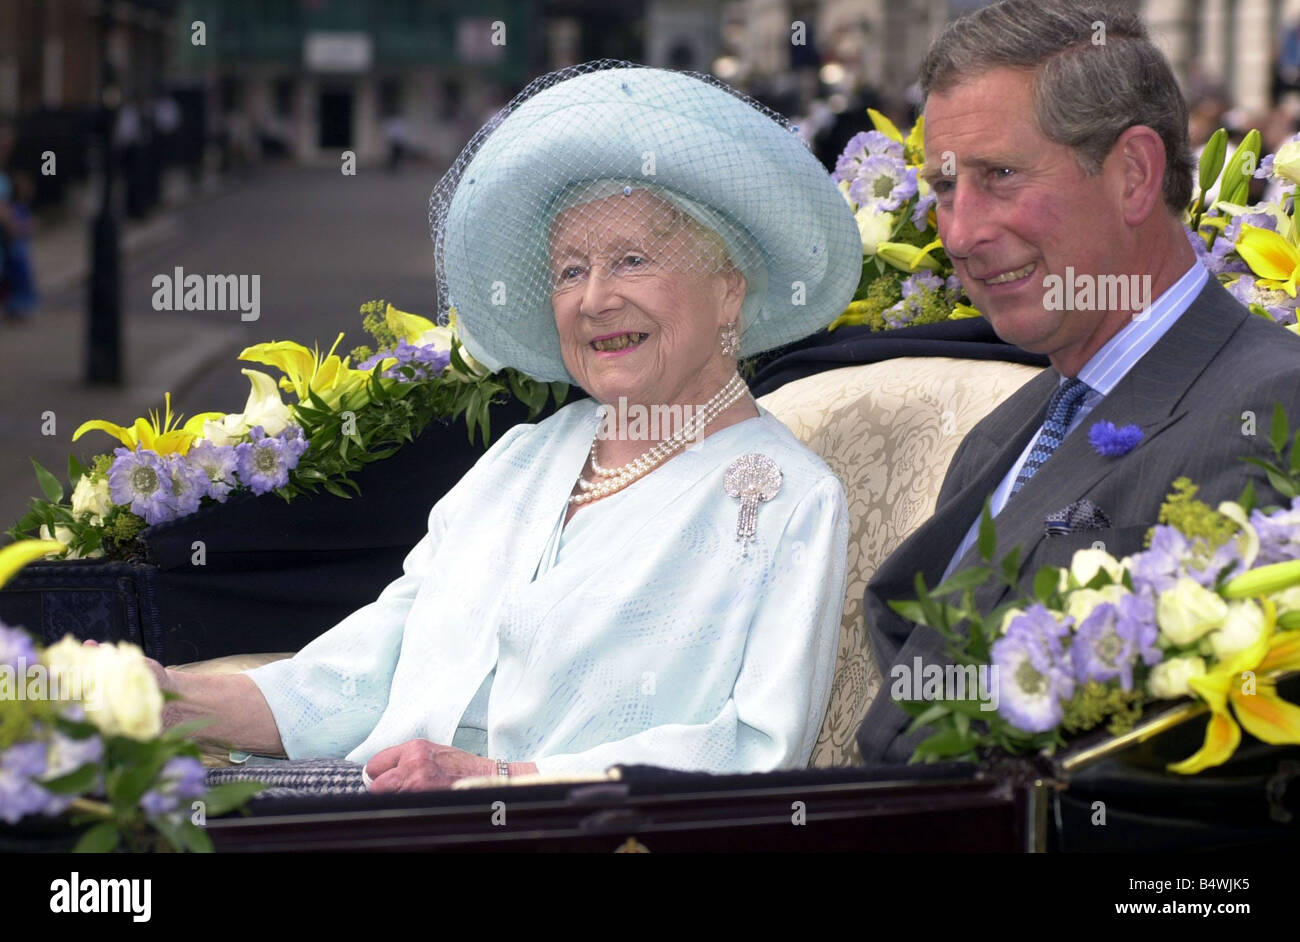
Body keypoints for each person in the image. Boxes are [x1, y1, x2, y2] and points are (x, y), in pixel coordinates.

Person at [155, 63, 860, 792]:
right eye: (568, 271)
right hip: (382, 815)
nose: (593, 299)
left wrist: (497, 779)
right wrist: (164, 702)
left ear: (728, 291)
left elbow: (755, 752)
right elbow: (364, 671)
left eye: (631, 261)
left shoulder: (788, 501)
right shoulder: (525, 455)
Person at [856, 0, 1300, 763]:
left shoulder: (1272, 403)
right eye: (944, 188)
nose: (959, 234)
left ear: (1133, 175)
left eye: (999, 176)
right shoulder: (1004, 433)